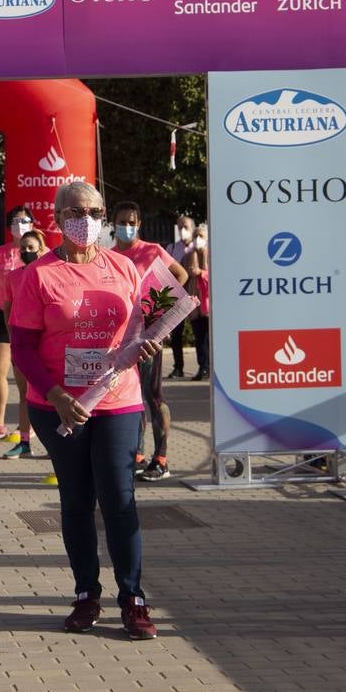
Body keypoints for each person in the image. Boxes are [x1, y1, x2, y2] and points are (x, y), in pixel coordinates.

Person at [10, 181, 163, 640]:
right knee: (76, 502)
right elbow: (22, 348)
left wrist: (151, 342)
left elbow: (143, 327)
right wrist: (57, 396)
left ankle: (133, 599)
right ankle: (85, 594)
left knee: (119, 499)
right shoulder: (39, 275)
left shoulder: (125, 268)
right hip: (59, 406)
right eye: (76, 211)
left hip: (116, 401)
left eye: (95, 211)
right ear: (56, 219)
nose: (88, 219)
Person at [111, 202, 188, 482]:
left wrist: (159, 313)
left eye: (132, 221)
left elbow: (181, 274)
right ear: (113, 223)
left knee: (153, 397)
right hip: (121, 338)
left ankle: (162, 459)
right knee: (131, 398)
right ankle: (138, 455)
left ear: (139, 223)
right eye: (122, 221)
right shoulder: (109, 256)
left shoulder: (152, 250)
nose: (127, 226)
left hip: (149, 337)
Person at [0, 206, 36, 441]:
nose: (19, 225)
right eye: (15, 221)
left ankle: (27, 425)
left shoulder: (42, 251)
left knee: (25, 377)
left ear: (32, 223)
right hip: (2, 315)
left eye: (24, 220)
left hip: (29, 317)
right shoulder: (0, 253)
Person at [0, 229, 46, 459]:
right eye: (23, 248)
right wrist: (12, 334)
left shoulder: (49, 273)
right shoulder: (13, 277)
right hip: (22, 343)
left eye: (31, 248)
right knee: (25, 394)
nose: (27, 252)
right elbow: (8, 307)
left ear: (41, 249)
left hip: (47, 343)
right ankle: (24, 442)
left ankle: (56, 444)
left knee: (51, 393)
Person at [164, 216, 196, 379]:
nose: (182, 230)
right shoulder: (171, 248)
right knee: (176, 334)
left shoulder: (199, 247)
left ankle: (204, 367)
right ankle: (178, 367)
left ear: (192, 228)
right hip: (177, 297)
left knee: (200, 333)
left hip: (196, 295)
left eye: (185, 227)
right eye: (179, 227)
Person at [187, 223, 210, 381]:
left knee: (208, 339)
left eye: (201, 236)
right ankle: (202, 367)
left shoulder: (211, 254)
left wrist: (201, 273)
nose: (197, 239)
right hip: (195, 304)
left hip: (208, 304)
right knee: (199, 339)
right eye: (195, 236)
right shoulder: (189, 255)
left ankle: (209, 368)